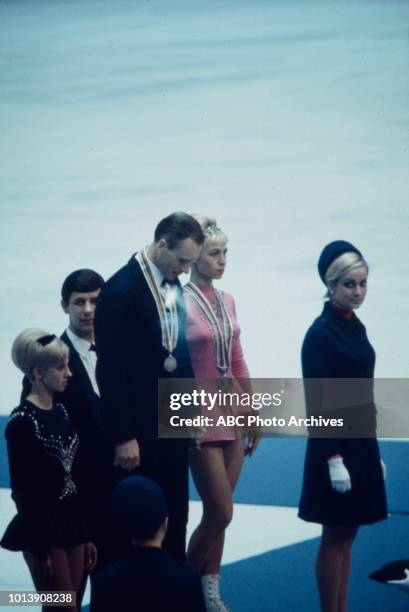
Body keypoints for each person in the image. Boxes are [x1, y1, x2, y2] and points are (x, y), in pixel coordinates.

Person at [94, 212, 204, 562]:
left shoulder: (172, 285)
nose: (186, 269)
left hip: (170, 425)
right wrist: (124, 435)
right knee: (138, 525)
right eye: (182, 260)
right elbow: (110, 372)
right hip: (138, 433)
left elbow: (179, 351)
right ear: (161, 246)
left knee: (175, 517)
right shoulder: (120, 292)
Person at [298, 241, 388, 612]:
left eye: (363, 283)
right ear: (331, 285)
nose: (358, 292)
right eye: (350, 284)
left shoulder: (356, 326)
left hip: (360, 442)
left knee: (348, 535)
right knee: (334, 535)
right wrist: (335, 458)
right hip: (333, 447)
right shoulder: (320, 335)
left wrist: (373, 449)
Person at [185, 216, 259, 611]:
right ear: (194, 256)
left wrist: (252, 410)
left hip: (231, 411)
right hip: (197, 416)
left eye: (226, 253)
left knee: (222, 516)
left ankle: (210, 593)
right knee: (220, 511)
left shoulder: (227, 299)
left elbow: (237, 358)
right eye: (214, 253)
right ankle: (176, 588)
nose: (222, 260)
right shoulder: (177, 301)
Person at [1, 329, 97, 612]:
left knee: (72, 605)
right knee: (61, 607)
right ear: (39, 372)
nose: (69, 373)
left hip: (73, 522)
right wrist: (40, 547)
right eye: (61, 367)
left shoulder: (63, 412)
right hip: (43, 527)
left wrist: (87, 532)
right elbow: (23, 494)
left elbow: (75, 477)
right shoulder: (22, 423)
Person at [90, 476, 206, 612]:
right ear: (166, 523)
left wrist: (63, 597)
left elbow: (63, 599)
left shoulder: (104, 581)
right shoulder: (188, 580)